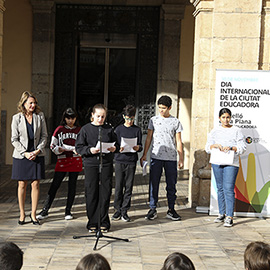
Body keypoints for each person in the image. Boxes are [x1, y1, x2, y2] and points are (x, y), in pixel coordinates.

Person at [75, 104, 119, 232]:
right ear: (92, 115)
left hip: (105, 164)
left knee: (105, 193)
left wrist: (114, 148)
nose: (100, 119)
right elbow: (79, 148)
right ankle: (92, 222)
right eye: (98, 116)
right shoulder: (85, 129)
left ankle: (104, 221)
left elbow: (117, 144)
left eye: (103, 116)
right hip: (91, 164)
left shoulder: (109, 129)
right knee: (91, 192)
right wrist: (90, 150)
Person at [140, 95, 184, 221]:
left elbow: (179, 141)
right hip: (156, 156)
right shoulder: (153, 120)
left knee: (171, 184)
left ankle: (171, 209)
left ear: (170, 108)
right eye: (159, 108)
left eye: (164, 108)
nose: (161, 110)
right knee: (154, 183)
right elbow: (149, 138)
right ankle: (152, 208)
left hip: (171, 158)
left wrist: (181, 158)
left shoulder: (176, 122)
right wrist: (144, 154)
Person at [37, 108, 83, 220]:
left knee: (72, 186)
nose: (70, 120)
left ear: (76, 118)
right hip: (62, 160)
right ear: (64, 118)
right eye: (68, 118)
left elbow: (83, 145)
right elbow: (52, 145)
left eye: (72, 118)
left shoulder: (80, 130)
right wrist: (58, 149)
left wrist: (79, 150)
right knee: (55, 185)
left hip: (75, 160)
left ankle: (68, 211)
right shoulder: (59, 129)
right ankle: (45, 210)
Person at [11, 91, 48, 225]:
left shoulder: (40, 116)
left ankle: (33, 214)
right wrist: (25, 153)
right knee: (22, 184)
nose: (33, 105)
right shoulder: (16, 118)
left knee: (36, 184)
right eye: (30, 103)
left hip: (37, 154)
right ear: (24, 103)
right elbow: (14, 139)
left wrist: (37, 151)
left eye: (34, 103)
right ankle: (22, 214)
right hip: (22, 156)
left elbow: (44, 136)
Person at [205, 108, 246, 227]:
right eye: (223, 117)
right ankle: (221, 213)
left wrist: (232, 148)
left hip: (231, 163)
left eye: (228, 117)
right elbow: (207, 147)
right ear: (219, 118)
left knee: (228, 188)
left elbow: (242, 147)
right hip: (217, 161)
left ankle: (229, 216)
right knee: (220, 188)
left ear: (231, 118)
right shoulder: (214, 131)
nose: (226, 120)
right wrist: (215, 145)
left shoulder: (236, 130)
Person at [112, 105, 142, 222]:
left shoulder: (137, 130)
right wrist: (117, 148)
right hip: (120, 160)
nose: (129, 121)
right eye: (128, 118)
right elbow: (114, 144)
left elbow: (140, 146)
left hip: (131, 161)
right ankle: (117, 210)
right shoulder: (118, 129)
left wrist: (137, 147)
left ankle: (125, 210)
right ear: (124, 117)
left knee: (128, 187)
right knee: (119, 186)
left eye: (132, 119)